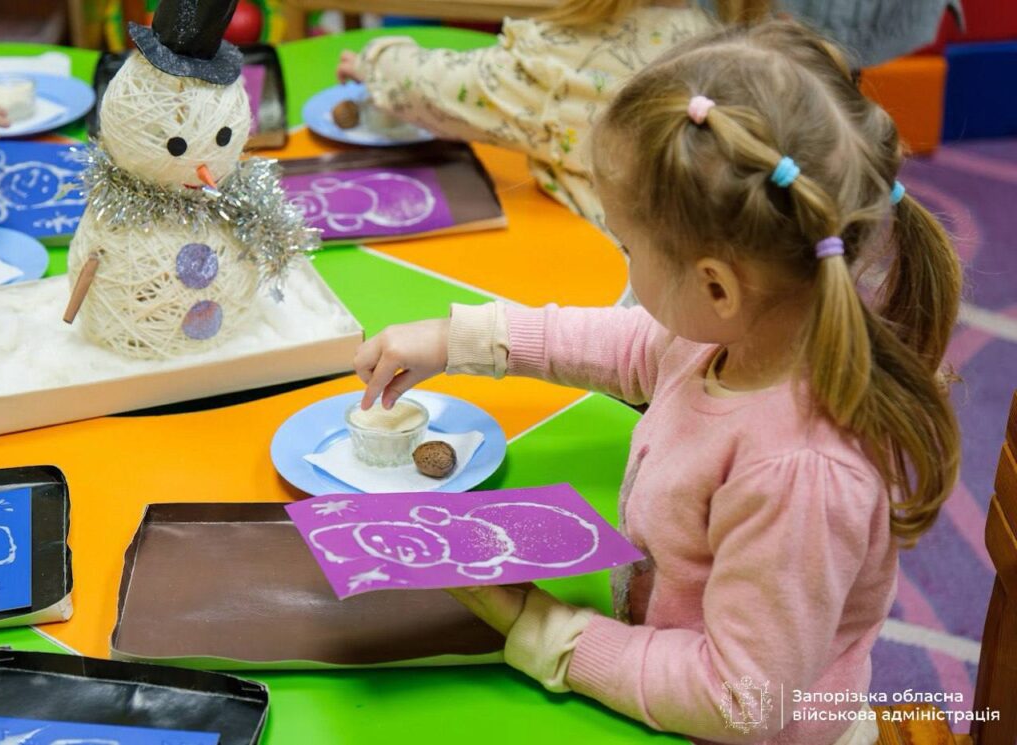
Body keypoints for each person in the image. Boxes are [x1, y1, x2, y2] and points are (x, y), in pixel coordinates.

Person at [350, 18, 962, 745]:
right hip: (667, 655)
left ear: (716, 286)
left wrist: (542, 628)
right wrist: (464, 339)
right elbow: (639, 345)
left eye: (628, 245)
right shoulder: (750, 332)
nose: (624, 260)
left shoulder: (800, 474)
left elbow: (739, 701)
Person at [336, 1, 768, 229]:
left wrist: (377, 59)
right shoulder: (722, 45)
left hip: (615, 300)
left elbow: (441, 89)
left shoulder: (561, 57)